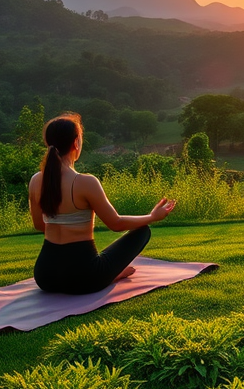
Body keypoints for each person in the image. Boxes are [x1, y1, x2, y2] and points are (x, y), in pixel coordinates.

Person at [29, 113, 176, 294]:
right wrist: (153, 217)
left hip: (45, 276)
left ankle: (109, 273)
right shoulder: (85, 182)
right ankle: (111, 275)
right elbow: (116, 223)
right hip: (84, 278)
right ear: (76, 143)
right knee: (142, 231)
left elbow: (39, 225)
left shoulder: (36, 181)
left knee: (95, 261)